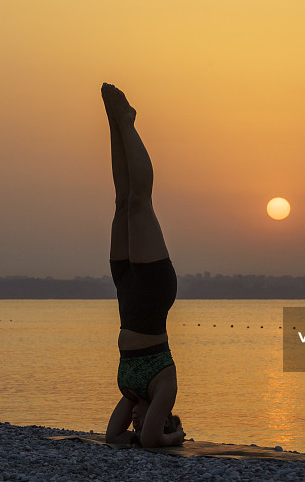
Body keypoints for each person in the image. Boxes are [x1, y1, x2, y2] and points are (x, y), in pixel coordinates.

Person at [101, 83, 185, 448]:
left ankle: (114, 125)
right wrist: (176, 437)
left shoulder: (132, 392)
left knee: (122, 201)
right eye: (143, 421)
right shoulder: (164, 386)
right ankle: (128, 123)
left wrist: (133, 427)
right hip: (152, 290)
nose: (135, 422)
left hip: (126, 287)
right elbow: (151, 441)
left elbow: (112, 437)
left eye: (135, 423)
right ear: (163, 417)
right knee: (139, 202)